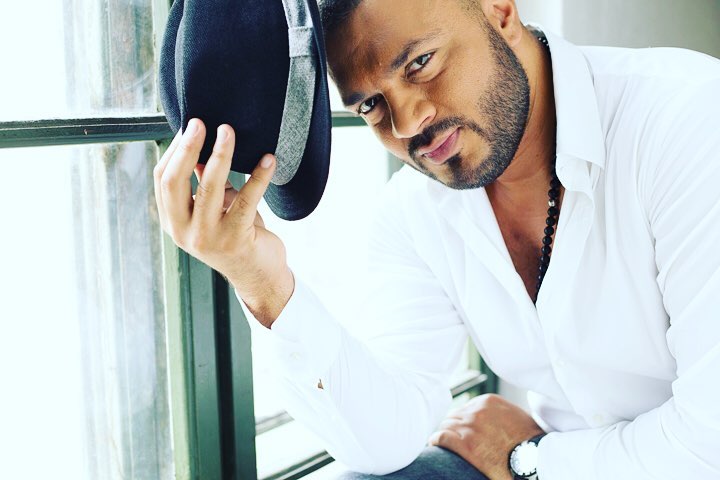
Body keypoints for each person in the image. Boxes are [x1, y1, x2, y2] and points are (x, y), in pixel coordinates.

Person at [153, 0, 720, 478]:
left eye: (420, 63)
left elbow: (709, 444)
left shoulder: (686, 120)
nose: (406, 123)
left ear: (499, 10)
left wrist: (530, 459)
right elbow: (384, 441)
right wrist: (261, 280)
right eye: (370, 105)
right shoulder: (414, 212)